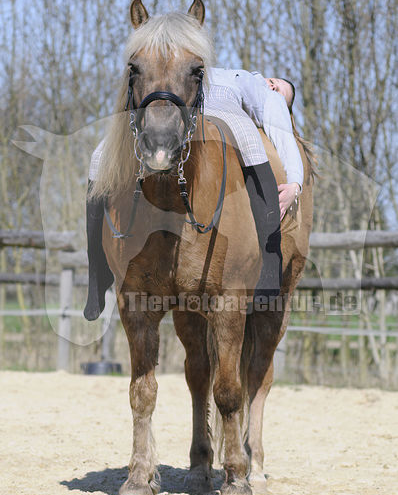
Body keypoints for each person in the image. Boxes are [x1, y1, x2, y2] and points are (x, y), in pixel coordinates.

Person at [84, 68, 302, 320]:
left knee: (252, 146)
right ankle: (97, 270)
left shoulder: (266, 95)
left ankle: (270, 262)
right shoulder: (225, 69)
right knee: (99, 158)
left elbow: (285, 139)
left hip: (223, 105)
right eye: (275, 82)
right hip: (182, 96)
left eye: (282, 91)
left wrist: (295, 182)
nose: (275, 87)